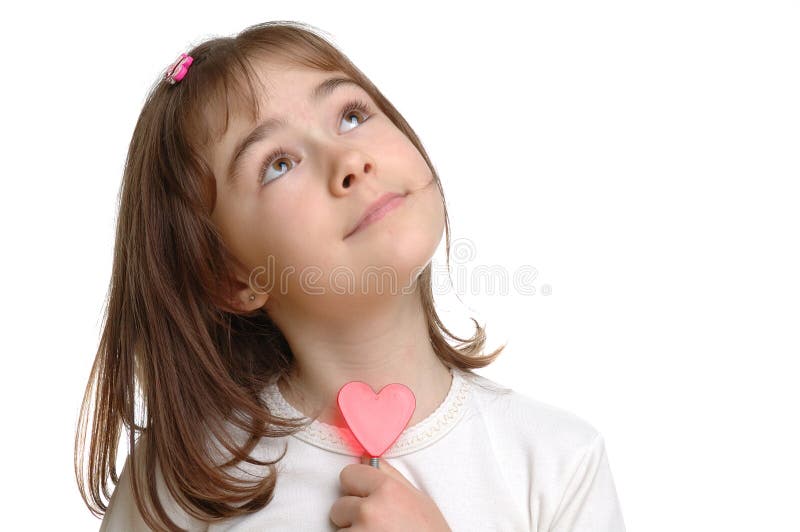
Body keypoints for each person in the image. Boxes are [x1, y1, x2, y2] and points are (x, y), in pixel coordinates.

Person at [75, 20, 626, 531]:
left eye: (351, 115)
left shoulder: (559, 463)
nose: (349, 160)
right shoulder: (186, 481)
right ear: (233, 278)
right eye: (278, 163)